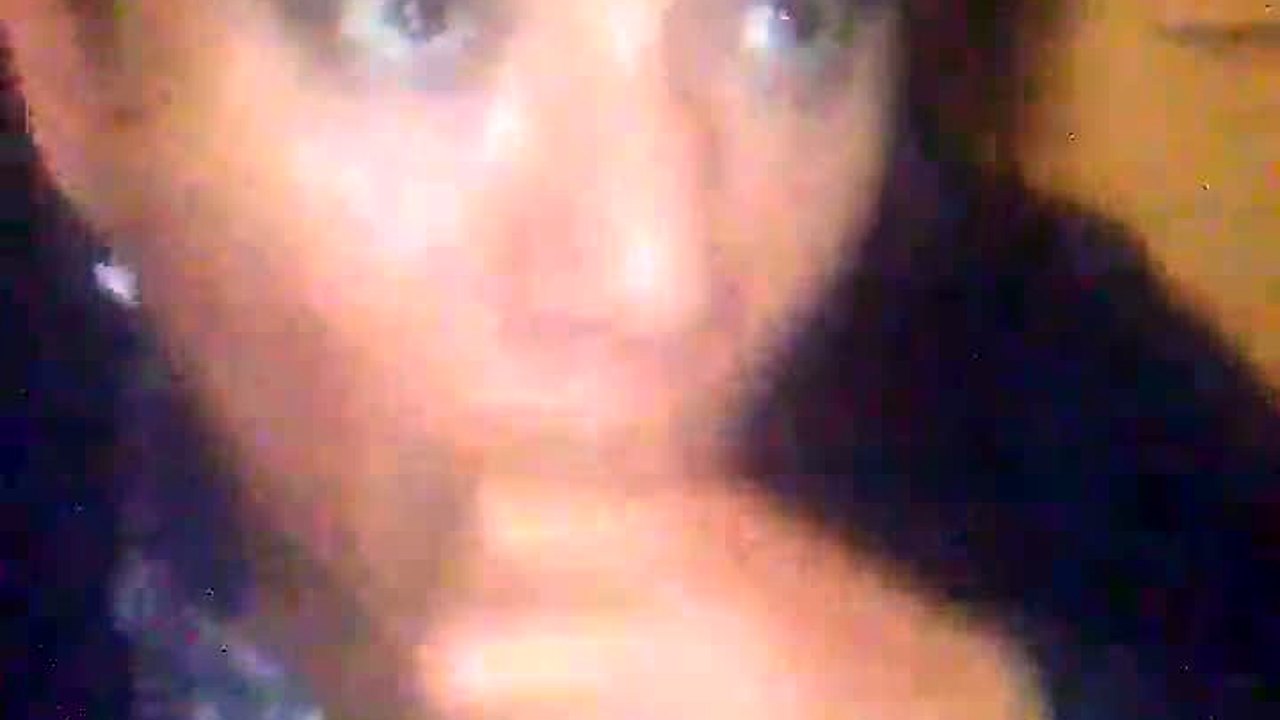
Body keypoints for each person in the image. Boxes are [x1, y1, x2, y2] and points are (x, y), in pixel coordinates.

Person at [4, 1, 1277, 719]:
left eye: (792, 19)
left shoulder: (1077, 419)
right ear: (69, 86)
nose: (660, 277)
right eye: (414, 20)